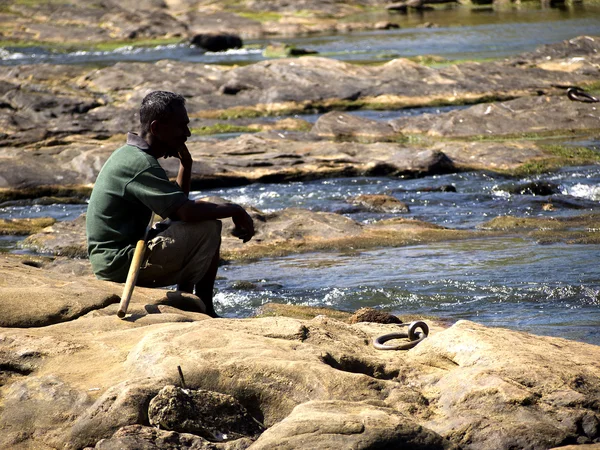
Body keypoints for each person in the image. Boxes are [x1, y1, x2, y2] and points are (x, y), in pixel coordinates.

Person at [86, 91, 254, 318]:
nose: (187, 133)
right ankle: (206, 310)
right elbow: (185, 212)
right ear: (156, 128)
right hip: (118, 262)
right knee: (209, 226)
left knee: (202, 217)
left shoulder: (132, 156)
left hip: (117, 255)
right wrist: (235, 210)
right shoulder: (140, 164)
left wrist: (186, 164)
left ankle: (188, 299)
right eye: (181, 126)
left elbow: (176, 208)